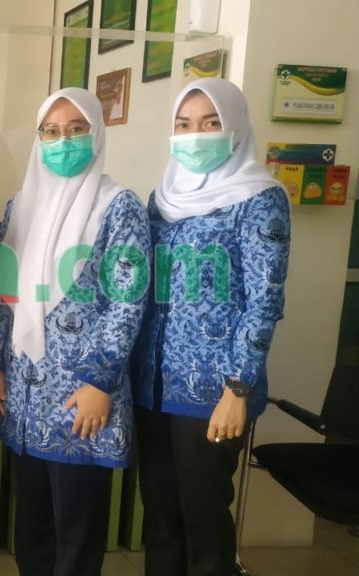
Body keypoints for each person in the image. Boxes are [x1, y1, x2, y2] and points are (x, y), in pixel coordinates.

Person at [0, 87, 150, 576]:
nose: (63, 142)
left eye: (76, 130)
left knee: (76, 531)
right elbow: (3, 290)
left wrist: (100, 380)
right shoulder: (21, 206)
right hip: (25, 393)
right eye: (51, 132)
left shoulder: (118, 206)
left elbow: (128, 301)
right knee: (31, 528)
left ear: (96, 135)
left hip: (82, 397)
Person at [131, 78, 291, 576]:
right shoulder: (161, 199)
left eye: (210, 122)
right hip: (154, 386)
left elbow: (264, 302)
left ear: (236, 127)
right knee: (160, 517)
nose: (195, 135)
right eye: (184, 124)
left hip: (214, 391)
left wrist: (238, 388)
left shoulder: (259, 198)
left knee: (203, 520)